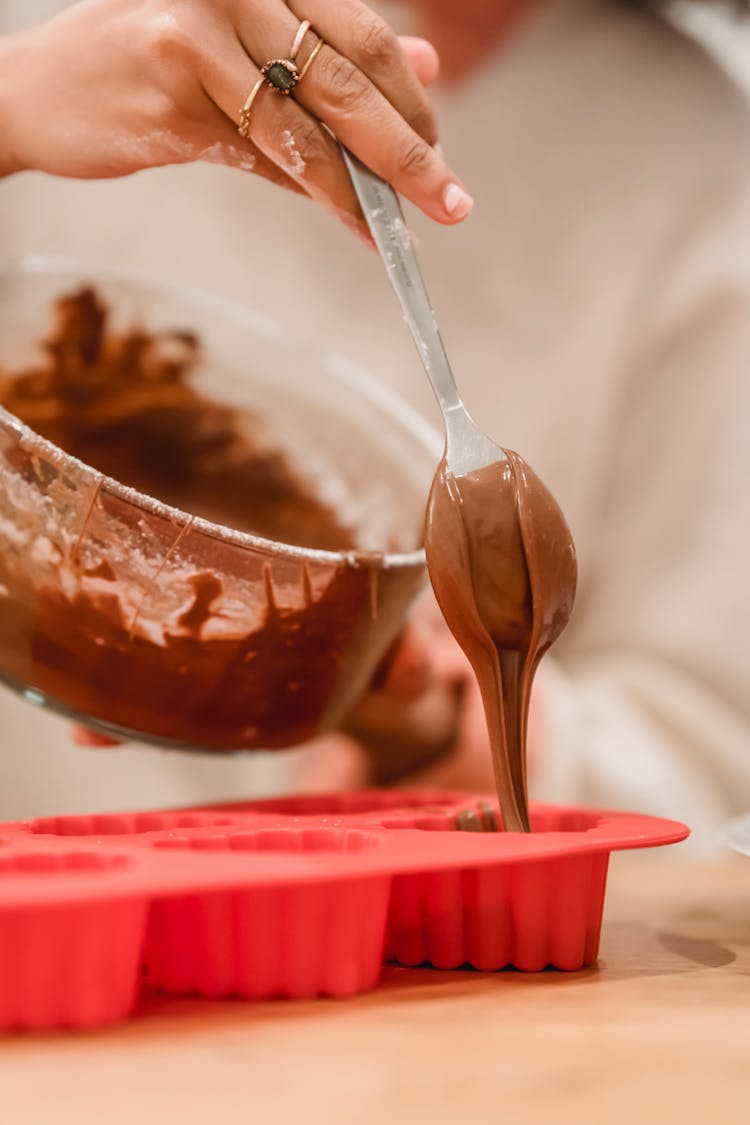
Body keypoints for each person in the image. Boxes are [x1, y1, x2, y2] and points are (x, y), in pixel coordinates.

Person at [1, 0, 749, 850]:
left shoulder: (707, 155)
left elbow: (695, 755)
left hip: (352, 955)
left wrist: (428, 722)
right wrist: (12, 104)